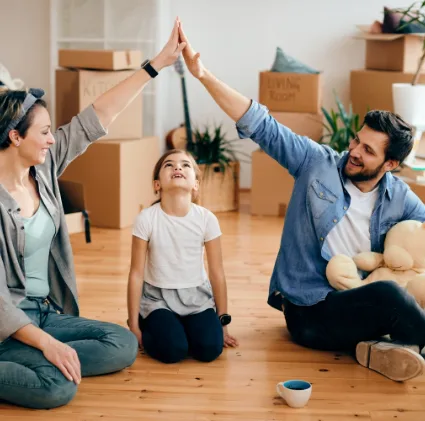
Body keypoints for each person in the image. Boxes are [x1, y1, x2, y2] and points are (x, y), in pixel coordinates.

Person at [178, 22, 425, 382]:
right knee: (388, 295)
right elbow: (259, 122)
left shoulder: (398, 195)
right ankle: (402, 342)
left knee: (402, 290)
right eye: (356, 141)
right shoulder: (317, 163)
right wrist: (202, 75)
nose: (353, 151)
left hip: (355, 299)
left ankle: (386, 349)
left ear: (390, 165)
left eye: (367, 151)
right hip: (310, 311)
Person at [0, 18, 187, 410]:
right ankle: (43, 362)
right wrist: (47, 344)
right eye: (45, 132)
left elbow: (96, 117)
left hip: (45, 312)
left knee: (121, 343)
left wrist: (155, 65)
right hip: (7, 323)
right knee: (57, 389)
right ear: (15, 137)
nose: (54, 139)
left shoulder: (43, 171)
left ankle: (41, 362)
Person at [127, 149, 238, 364]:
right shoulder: (146, 219)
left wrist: (222, 322)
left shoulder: (207, 219)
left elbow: (217, 272)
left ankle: (183, 327)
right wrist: (133, 325)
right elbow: (136, 274)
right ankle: (153, 322)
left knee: (210, 350)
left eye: (185, 165)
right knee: (173, 351)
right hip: (158, 299)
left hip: (196, 298)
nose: (177, 167)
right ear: (157, 184)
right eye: (169, 164)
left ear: (196, 184)